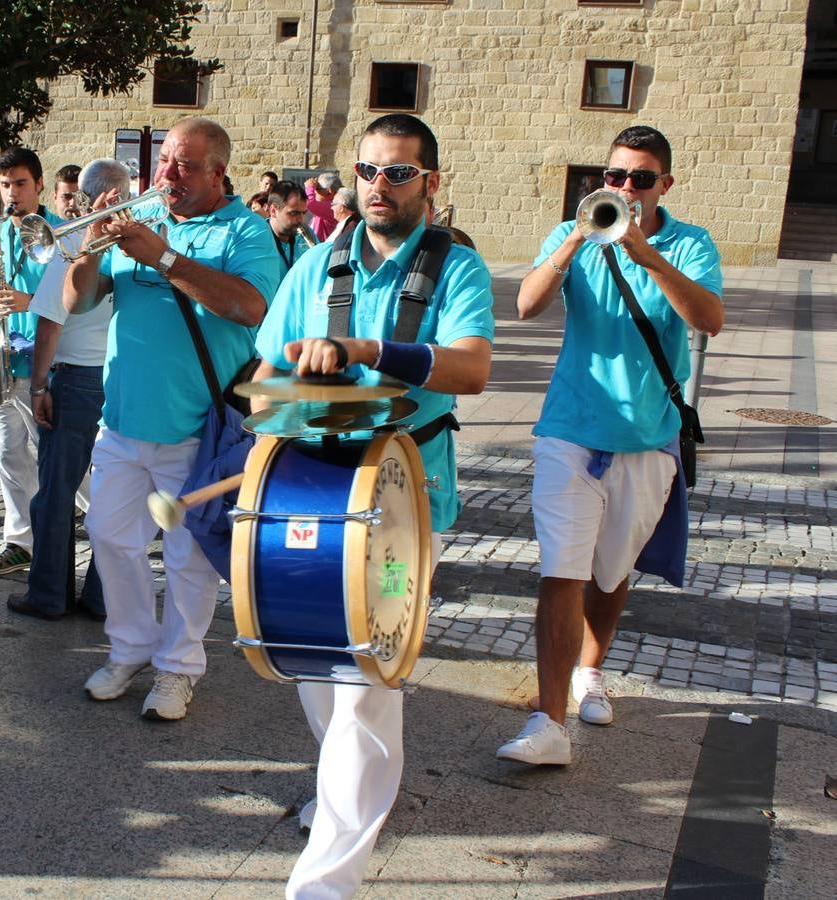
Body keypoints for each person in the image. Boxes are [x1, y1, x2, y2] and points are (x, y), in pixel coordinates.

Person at [251, 112, 495, 899]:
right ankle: (341, 797)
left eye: (398, 172)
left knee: (363, 681)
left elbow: (471, 370)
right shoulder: (318, 264)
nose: (379, 186)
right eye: (368, 171)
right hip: (318, 488)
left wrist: (367, 351)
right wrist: (287, 390)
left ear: (430, 181)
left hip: (404, 500)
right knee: (319, 672)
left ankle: (324, 882)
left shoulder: (455, 267)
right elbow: (262, 378)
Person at [497, 125, 724, 767]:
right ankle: (548, 721)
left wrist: (645, 252)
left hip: (648, 439)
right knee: (561, 572)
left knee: (611, 571)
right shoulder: (576, 235)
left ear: (664, 186)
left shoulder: (690, 243)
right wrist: (575, 236)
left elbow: (708, 319)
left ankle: (590, 670)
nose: (625, 189)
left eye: (640, 179)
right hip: (570, 428)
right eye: (615, 177)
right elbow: (526, 305)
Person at [63, 117, 279, 720]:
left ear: (218, 172)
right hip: (124, 420)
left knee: (188, 558)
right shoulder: (142, 219)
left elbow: (249, 305)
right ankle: (130, 647)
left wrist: (164, 258)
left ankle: (178, 668)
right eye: (164, 163)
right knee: (109, 537)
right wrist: (91, 246)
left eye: (184, 166)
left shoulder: (246, 230)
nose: (168, 175)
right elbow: (74, 301)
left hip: (197, 426)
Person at [6, 160, 123, 622]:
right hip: (119, 376)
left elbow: (50, 319)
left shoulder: (72, 239)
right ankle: (101, 596)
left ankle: (49, 593)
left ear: (82, 197)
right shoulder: (136, 242)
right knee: (111, 493)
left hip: (75, 377)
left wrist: (38, 387)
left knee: (55, 491)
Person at [0, 147, 61, 578]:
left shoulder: (61, 232)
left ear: (39, 185)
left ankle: (106, 520)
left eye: (21, 184)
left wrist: (31, 301)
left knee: (60, 461)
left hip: (44, 363)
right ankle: (19, 541)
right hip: (2, 362)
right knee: (8, 456)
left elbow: (77, 300)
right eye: (6, 185)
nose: (12, 193)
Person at [267, 180, 314, 281]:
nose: (301, 219)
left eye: (303, 213)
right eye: (294, 213)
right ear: (273, 211)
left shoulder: (307, 234)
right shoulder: (256, 238)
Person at [304, 172, 342, 241]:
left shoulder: (333, 206)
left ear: (329, 191)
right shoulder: (324, 206)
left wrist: (309, 188)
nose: (314, 192)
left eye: (317, 188)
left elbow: (310, 203)